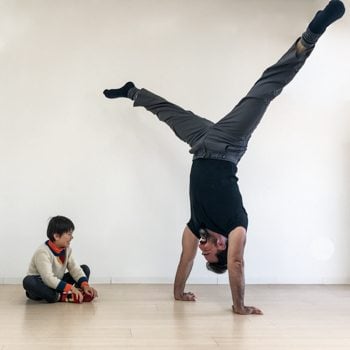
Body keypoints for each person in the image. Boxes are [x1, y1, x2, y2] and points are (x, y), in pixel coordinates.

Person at [103, 0, 345, 314]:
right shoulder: (236, 228)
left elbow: (184, 258)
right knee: (263, 91)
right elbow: (237, 262)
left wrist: (178, 293)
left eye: (203, 254)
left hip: (201, 144)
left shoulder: (197, 225)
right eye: (209, 255)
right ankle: (308, 39)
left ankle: (133, 91)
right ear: (222, 247)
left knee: (171, 114)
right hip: (228, 146)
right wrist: (239, 306)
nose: (201, 251)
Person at [23, 216, 98, 303]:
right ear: (56, 236)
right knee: (28, 281)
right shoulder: (42, 252)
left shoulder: (67, 249)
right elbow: (48, 278)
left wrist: (85, 285)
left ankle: (78, 293)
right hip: (41, 287)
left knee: (84, 269)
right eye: (69, 234)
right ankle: (60, 296)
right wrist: (70, 287)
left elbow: (75, 268)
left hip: (57, 283)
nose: (72, 237)